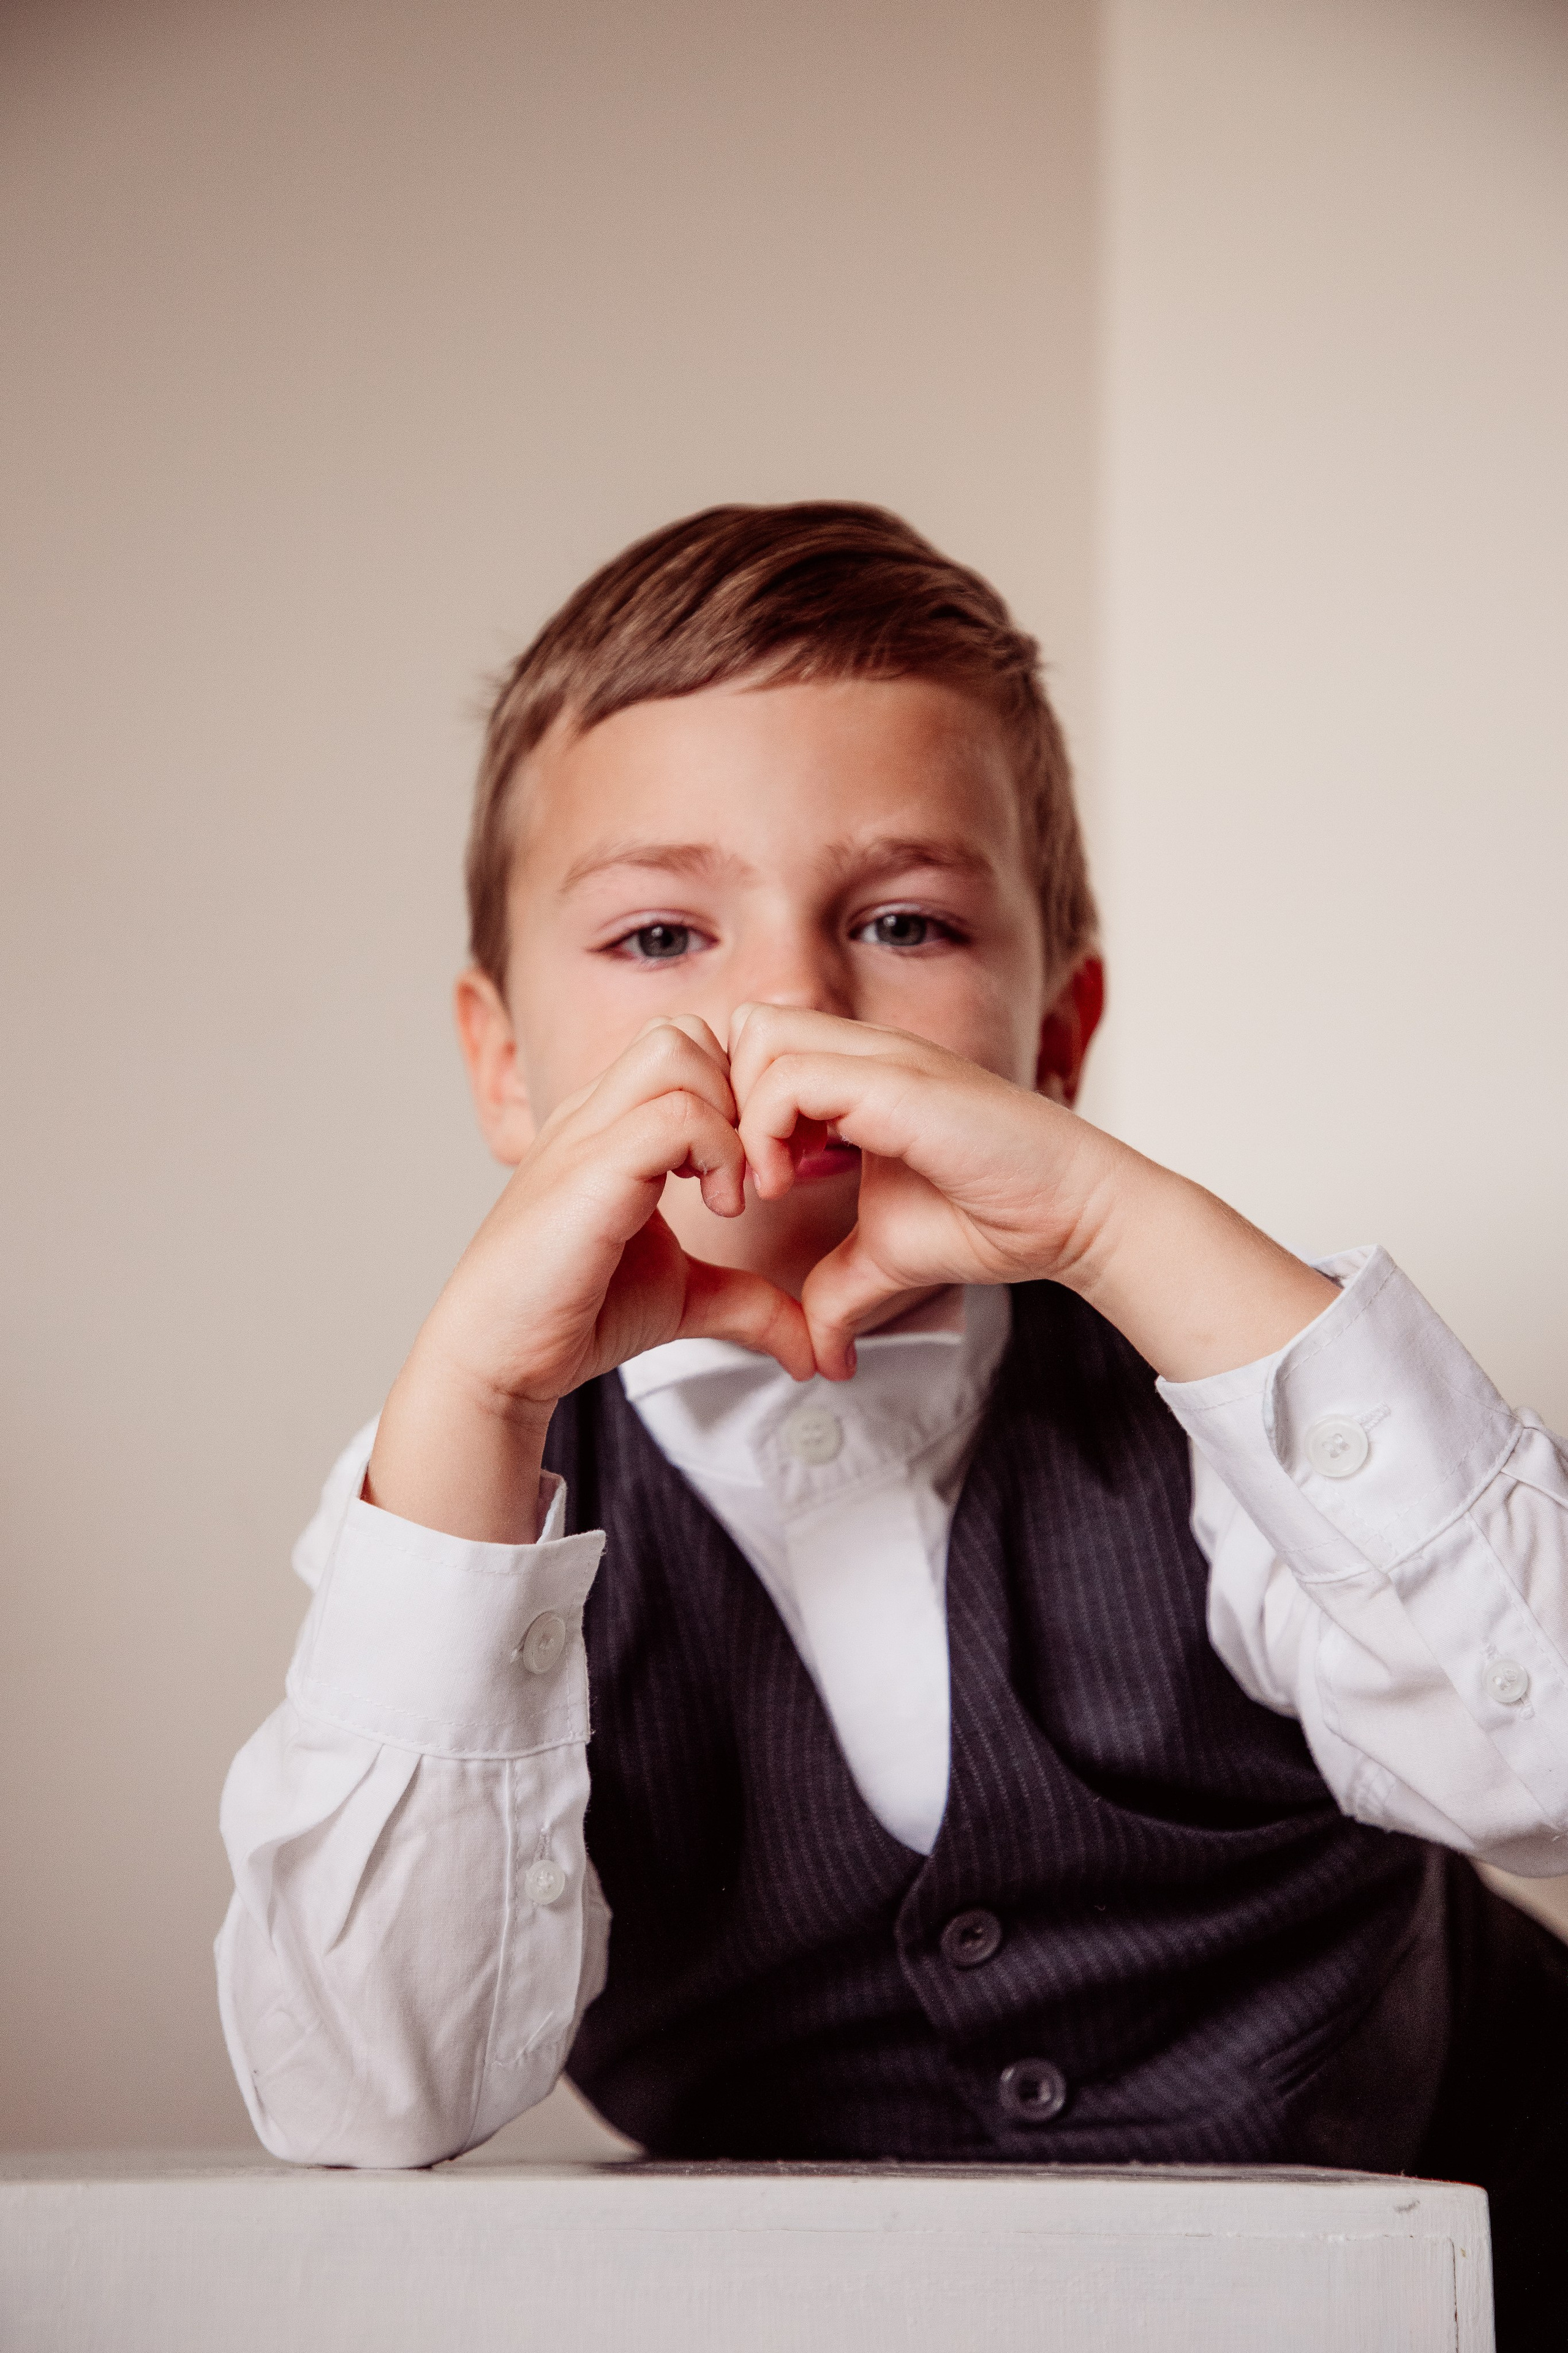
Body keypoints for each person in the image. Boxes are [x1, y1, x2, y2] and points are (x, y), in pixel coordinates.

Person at [217, 503, 1568, 2346]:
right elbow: (371, 2094)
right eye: (664, 931)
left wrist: (1121, 1220)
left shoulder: (1229, 1405)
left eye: (906, 920)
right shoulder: (468, 1513)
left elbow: (1549, 1762)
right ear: (504, 1063)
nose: (785, 1001)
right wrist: (470, 1390)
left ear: (1058, 1033)